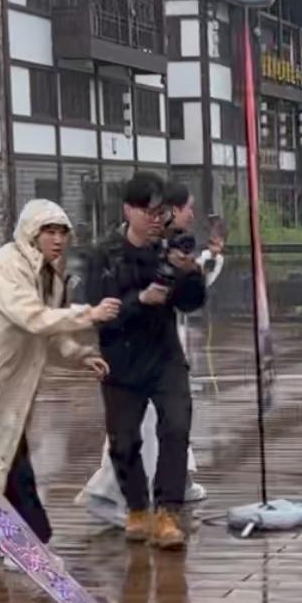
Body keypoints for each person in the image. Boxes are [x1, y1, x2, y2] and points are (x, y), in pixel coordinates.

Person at [0, 199, 118, 550]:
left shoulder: (47, 272)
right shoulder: (5, 268)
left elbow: (49, 323)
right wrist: (90, 314)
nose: (58, 239)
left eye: (63, 232)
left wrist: (78, 354)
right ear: (32, 232)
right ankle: (25, 536)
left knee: (1, 454)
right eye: (49, 231)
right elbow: (31, 316)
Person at [77, 184, 223, 525]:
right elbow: (98, 310)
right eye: (149, 213)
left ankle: (168, 513)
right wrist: (140, 300)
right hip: (121, 358)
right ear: (129, 210)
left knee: (176, 426)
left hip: (165, 355)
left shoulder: (168, 249)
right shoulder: (104, 254)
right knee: (124, 440)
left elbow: (189, 302)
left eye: (162, 213)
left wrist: (188, 273)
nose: (157, 220)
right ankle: (137, 509)